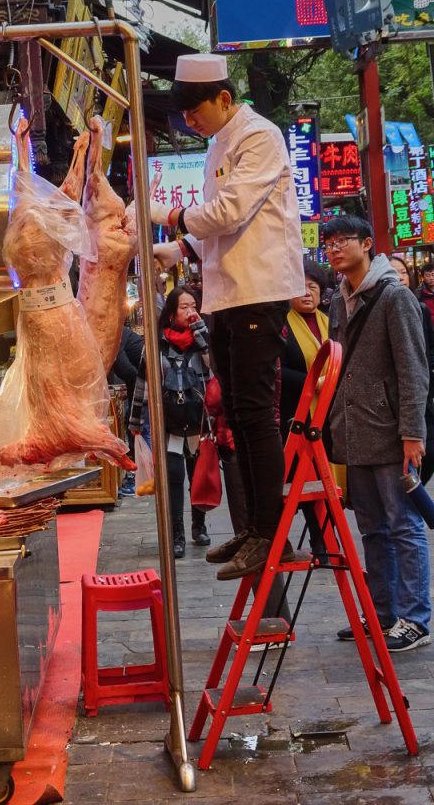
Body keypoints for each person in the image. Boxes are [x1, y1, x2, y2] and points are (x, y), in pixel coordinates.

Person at [152, 53, 304, 580]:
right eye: (184, 116)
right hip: (226, 294)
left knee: (258, 414)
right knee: (237, 414)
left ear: (223, 97)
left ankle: (270, 531)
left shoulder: (260, 135)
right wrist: (182, 246)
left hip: (259, 289)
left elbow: (230, 212)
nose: (189, 122)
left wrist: (167, 217)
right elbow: (215, 226)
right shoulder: (218, 143)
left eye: (195, 111)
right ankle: (254, 526)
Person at [324, 215, 431, 652]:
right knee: (370, 527)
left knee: (403, 525)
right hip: (352, 431)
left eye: (342, 240)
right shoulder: (337, 299)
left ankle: (415, 618)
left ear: (367, 244)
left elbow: (413, 369)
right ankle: (381, 614)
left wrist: (412, 432)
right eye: (328, 242)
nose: (333, 249)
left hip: (390, 431)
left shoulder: (395, 297)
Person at [130, 286, 211, 558]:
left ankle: (199, 526)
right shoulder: (156, 343)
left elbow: (214, 368)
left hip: (198, 419)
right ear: (171, 312)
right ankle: (177, 535)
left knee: (197, 475)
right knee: (174, 476)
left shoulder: (203, 338)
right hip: (169, 421)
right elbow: (143, 382)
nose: (190, 312)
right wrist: (136, 420)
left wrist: (201, 334)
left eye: (193, 306)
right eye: (184, 307)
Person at [280, 261, 330, 560]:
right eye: (301, 286)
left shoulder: (331, 321)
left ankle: (329, 534)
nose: (307, 292)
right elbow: (278, 371)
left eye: (313, 286)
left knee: (331, 478)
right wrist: (314, 383)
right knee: (306, 479)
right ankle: (319, 541)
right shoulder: (282, 326)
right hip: (299, 416)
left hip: (331, 412)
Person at [390, 255, 434, 485]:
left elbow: (428, 351)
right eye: (393, 271)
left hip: (423, 392)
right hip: (396, 399)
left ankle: (413, 493)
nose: (399, 277)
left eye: (403, 272)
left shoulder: (420, 308)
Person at [108, 325, 144, 497]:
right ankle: (141, 477)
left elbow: (129, 372)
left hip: (146, 386)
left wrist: (132, 395)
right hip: (142, 384)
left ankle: (141, 479)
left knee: (140, 429)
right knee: (137, 427)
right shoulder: (116, 333)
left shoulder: (114, 335)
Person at [417, 260, 434, 325]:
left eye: (433, 275)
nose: (431, 278)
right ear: (423, 277)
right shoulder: (419, 293)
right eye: (428, 275)